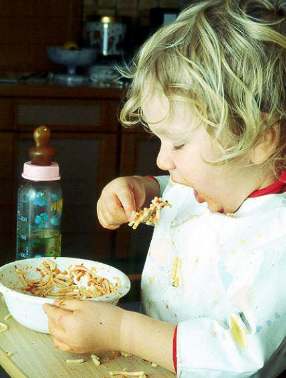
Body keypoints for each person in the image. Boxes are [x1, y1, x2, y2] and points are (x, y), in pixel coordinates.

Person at [43, 0, 286, 376]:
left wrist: (122, 330)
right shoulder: (216, 183)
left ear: (260, 142)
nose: (162, 162)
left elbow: (235, 351)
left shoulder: (278, 235)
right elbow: (179, 194)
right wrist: (142, 189)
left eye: (179, 144)